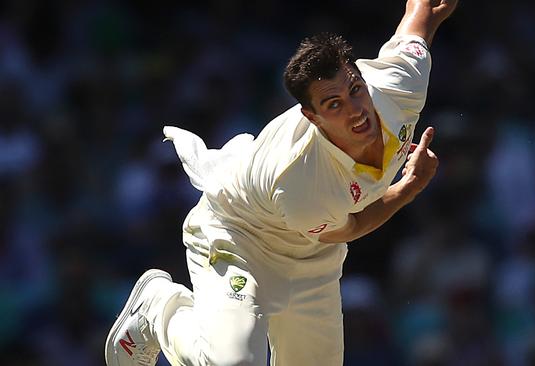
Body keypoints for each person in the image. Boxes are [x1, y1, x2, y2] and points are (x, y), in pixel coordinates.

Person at [105, 0, 457, 365]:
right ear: (313, 117)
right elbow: (349, 227)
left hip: (314, 254)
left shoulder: (398, 87)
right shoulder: (300, 179)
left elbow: (416, 25)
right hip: (242, 237)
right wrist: (408, 188)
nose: (355, 109)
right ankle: (161, 309)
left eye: (354, 89)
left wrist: (427, 11)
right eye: (333, 104)